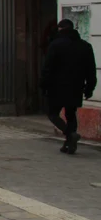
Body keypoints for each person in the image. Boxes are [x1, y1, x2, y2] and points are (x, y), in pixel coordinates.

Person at [41, 19, 97, 154]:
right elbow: (91, 70)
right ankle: (70, 144)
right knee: (71, 114)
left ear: (60, 29)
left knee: (52, 113)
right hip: (76, 87)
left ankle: (70, 135)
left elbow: (47, 68)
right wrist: (90, 88)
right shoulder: (85, 46)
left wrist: (43, 85)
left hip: (56, 87)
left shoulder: (55, 45)